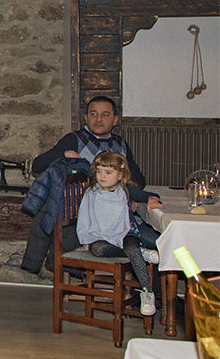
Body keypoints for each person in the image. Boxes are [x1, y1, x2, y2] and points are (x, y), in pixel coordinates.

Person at [22, 95, 152, 273]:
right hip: (80, 210)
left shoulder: (120, 144)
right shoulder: (74, 140)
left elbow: (138, 177)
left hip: (110, 211)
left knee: (150, 236)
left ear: (115, 120)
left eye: (105, 115)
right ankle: (40, 267)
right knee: (48, 209)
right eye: (93, 114)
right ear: (86, 118)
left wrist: (131, 191)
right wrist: (63, 154)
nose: (98, 119)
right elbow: (37, 165)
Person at [77, 151, 162, 315]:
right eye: (99, 171)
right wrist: (85, 240)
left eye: (108, 172)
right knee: (98, 249)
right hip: (101, 237)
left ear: (120, 175)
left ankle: (147, 292)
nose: (102, 176)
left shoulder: (125, 190)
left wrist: (152, 200)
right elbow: (84, 218)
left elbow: (150, 195)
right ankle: (142, 253)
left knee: (131, 247)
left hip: (125, 233)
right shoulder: (91, 193)